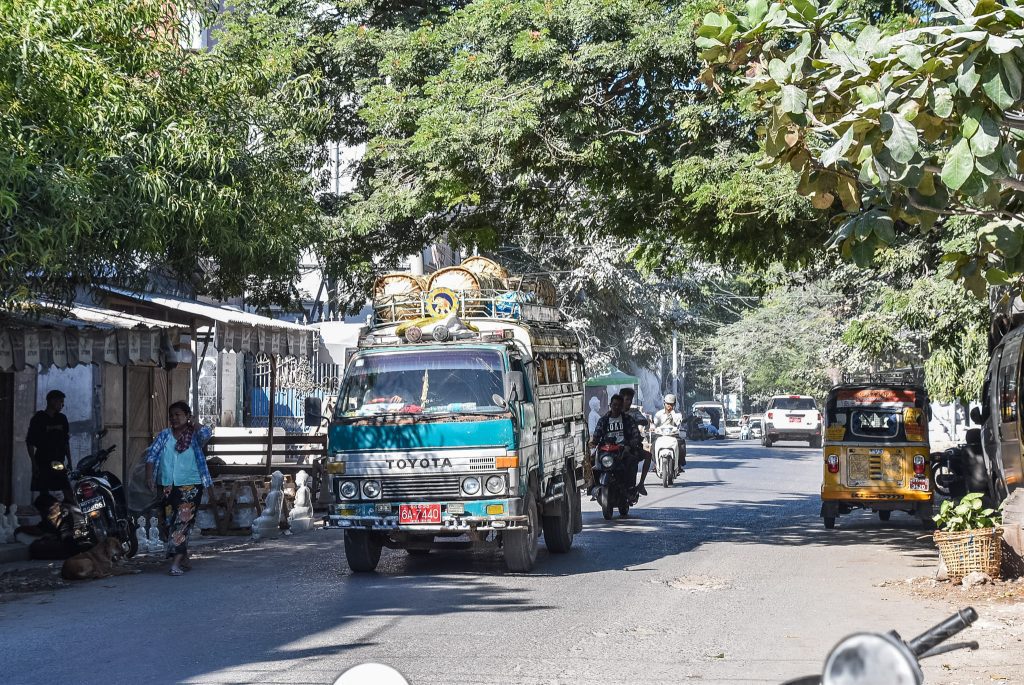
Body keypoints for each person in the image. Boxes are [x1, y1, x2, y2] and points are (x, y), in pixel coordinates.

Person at [145, 402, 213, 576]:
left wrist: (192, 423)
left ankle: (175, 563)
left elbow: (207, 433)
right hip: (167, 484)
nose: (174, 418)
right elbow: (151, 455)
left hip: (191, 484)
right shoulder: (165, 435)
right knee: (168, 522)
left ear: (187, 415)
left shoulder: (194, 434)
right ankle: (182, 554)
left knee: (182, 522)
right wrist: (149, 477)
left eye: (178, 415)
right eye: (172, 415)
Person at [588, 394, 644, 496]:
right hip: (606, 451)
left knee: (632, 461)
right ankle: (593, 487)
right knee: (592, 463)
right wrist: (592, 444)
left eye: (619, 405)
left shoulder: (628, 419)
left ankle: (630, 488)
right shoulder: (603, 420)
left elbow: (636, 436)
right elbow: (596, 436)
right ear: (610, 405)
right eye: (614, 405)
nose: (616, 407)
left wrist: (629, 445)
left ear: (622, 407)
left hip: (623, 450)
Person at [26, 390, 73, 502]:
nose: (63, 405)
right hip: (42, 460)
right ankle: (48, 516)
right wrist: (34, 464)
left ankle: (68, 515)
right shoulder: (38, 418)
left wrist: (70, 461)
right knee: (44, 494)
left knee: (66, 489)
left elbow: (65, 442)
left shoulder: (62, 418)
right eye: (60, 402)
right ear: (52, 401)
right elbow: (30, 442)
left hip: (58, 461)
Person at [620, 388, 652, 495]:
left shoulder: (634, 412)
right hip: (615, 446)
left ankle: (640, 484)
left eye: (630, 400)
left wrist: (635, 420)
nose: (628, 402)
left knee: (647, 456)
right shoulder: (615, 412)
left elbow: (643, 420)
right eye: (626, 399)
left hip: (632, 446)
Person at [653, 394, 686, 469]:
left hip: (673, 435)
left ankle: (679, 464)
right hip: (661, 435)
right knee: (653, 445)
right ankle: (656, 464)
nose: (669, 406)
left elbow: (678, 422)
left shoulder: (677, 414)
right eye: (667, 403)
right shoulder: (659, 414)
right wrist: (652, 427)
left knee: (681, 445)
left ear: (674, 404)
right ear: (664, 403)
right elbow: (655, 423)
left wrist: (672, 413)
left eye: (671, 404)